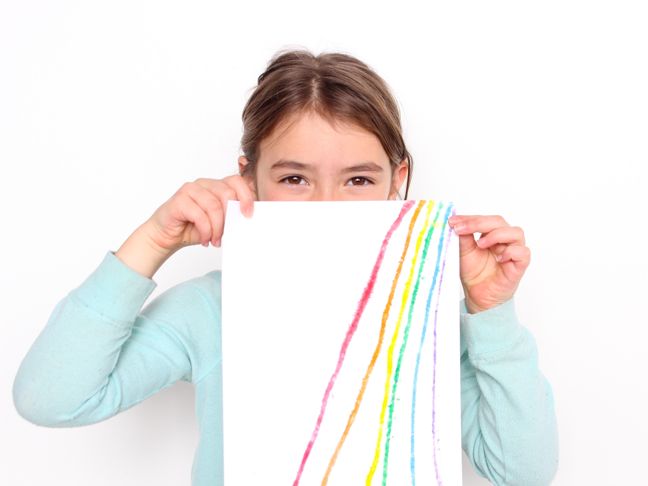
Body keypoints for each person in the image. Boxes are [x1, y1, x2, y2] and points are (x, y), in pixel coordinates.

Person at [12, 49, 558, 485]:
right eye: (295, 178)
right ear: (249, 180)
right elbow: (51, 400)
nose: (325, 206)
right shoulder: (210, 309)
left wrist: (492, 314)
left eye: (359, 180)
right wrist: (154, 240)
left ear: (399, 181)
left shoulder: (428, 318)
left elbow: (523, 473)